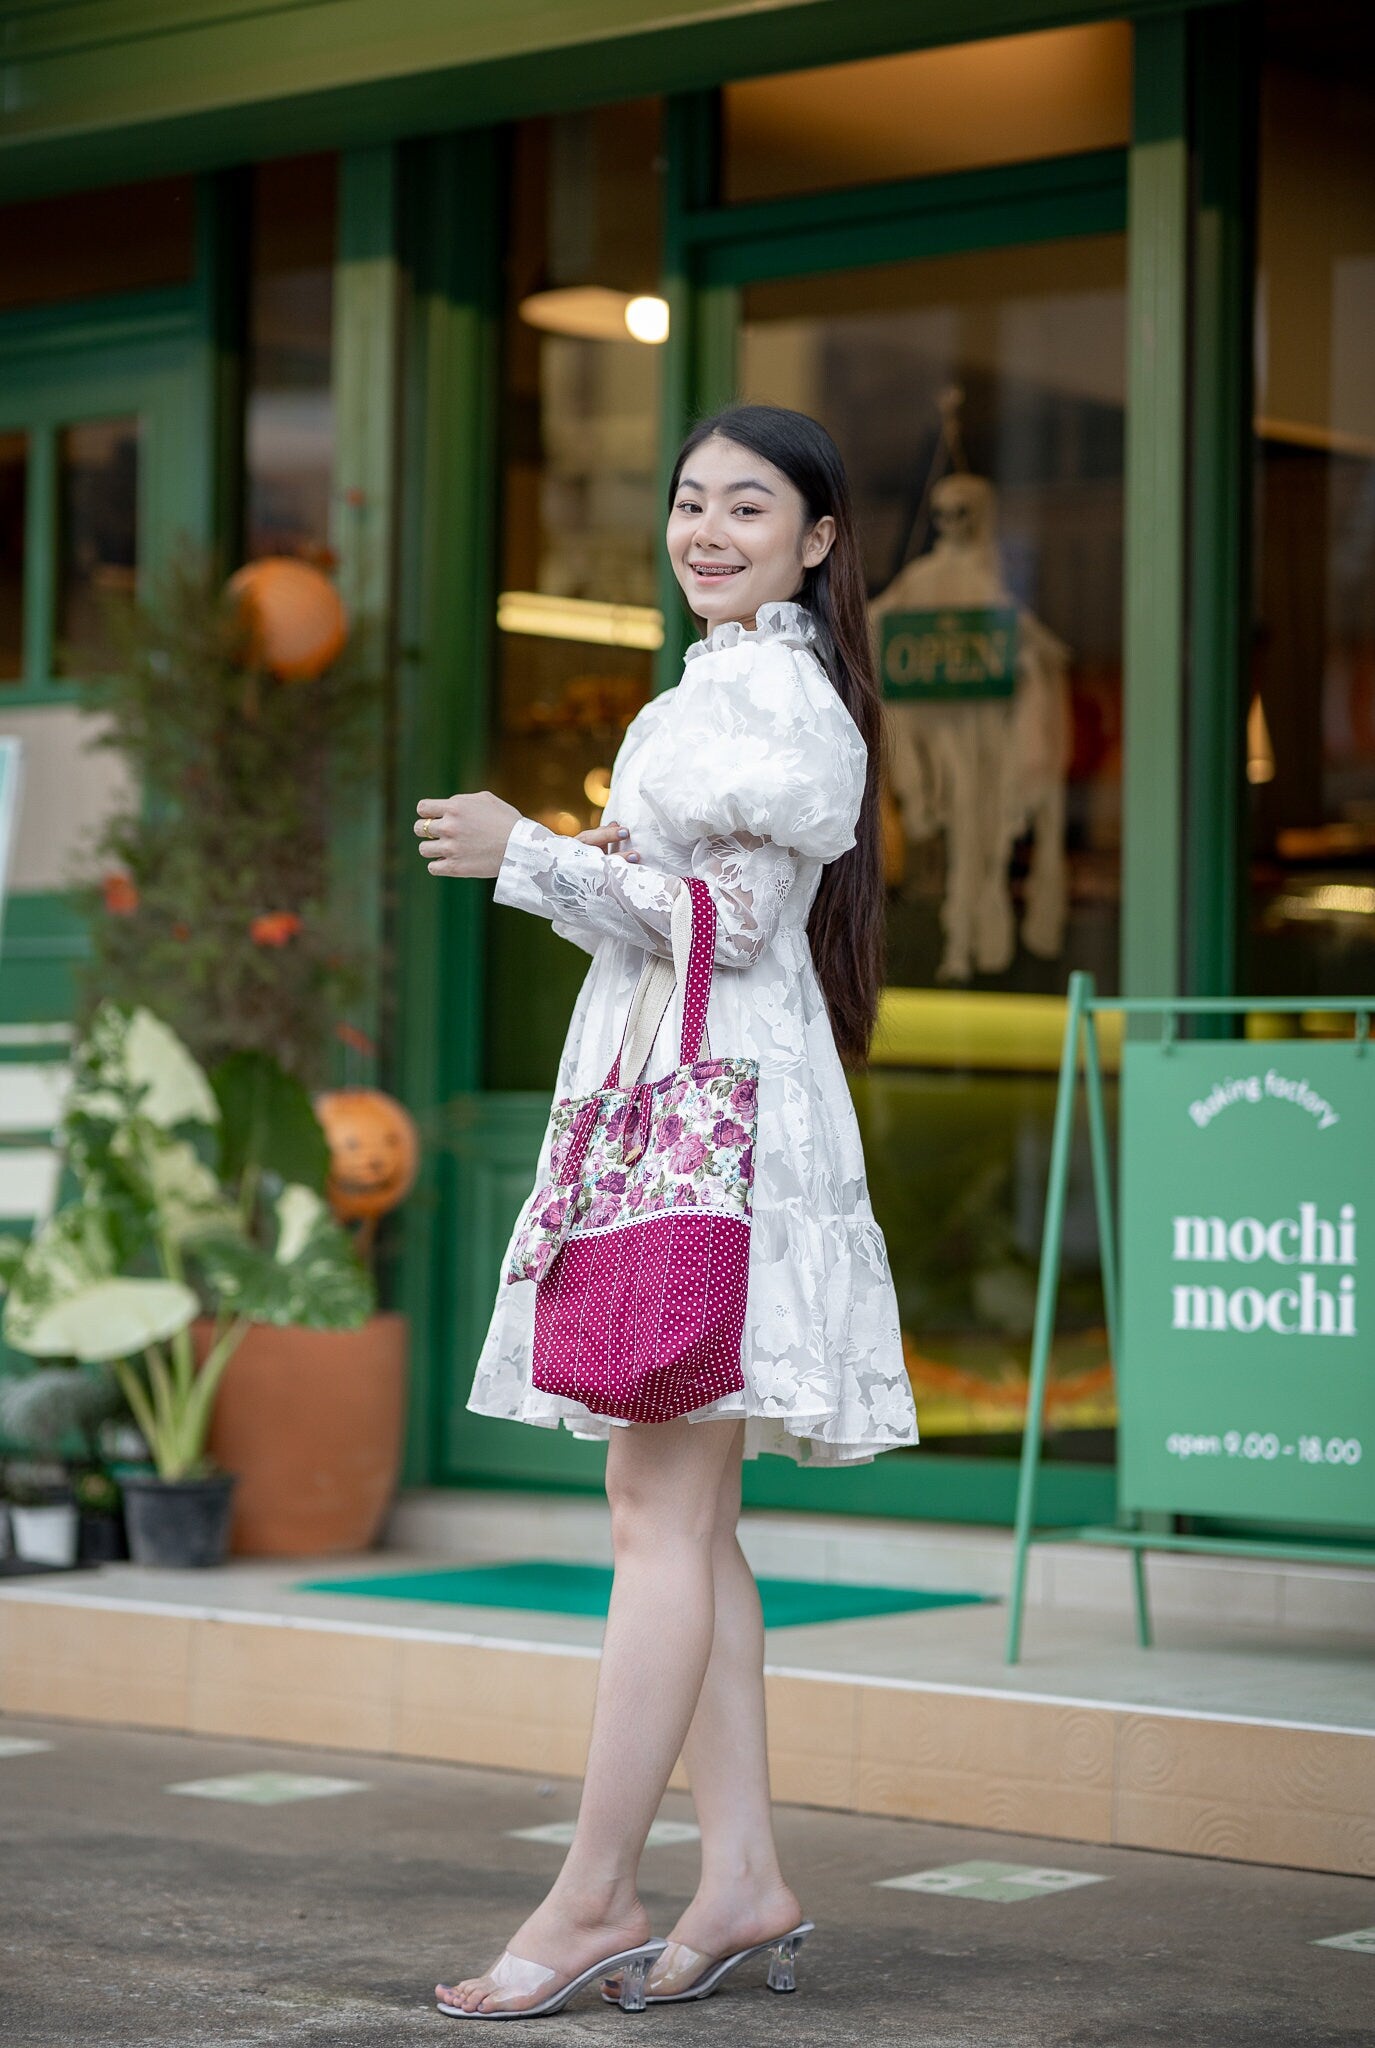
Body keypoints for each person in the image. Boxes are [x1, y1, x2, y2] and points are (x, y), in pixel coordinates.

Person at [414, 403, 919, 2019]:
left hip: (714, 1127)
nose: (706, 529)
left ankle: (592, 1893)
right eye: (691, 502)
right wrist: (574, 865)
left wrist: (530, 851)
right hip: (680, 1113)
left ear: (818, 539)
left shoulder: (778, 697)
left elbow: (740, 928)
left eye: (747, 507)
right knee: (689, 1524)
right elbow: (667, 925)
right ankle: (744, 1875)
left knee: (656, 1516)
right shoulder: (716, 688)